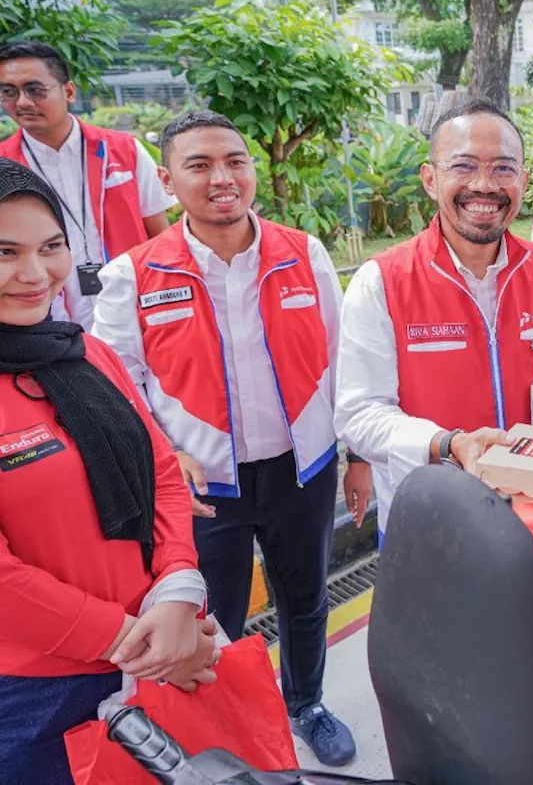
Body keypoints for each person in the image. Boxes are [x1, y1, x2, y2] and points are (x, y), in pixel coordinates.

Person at [91, 111, 356, 766]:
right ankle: (237, 726)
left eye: (234, 161)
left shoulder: (305, 253)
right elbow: (116, 389)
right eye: (199, 165)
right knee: (219, 617)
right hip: (204, 485)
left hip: (303, 469)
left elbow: (341, 359)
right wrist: (164, 453)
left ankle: (307, 704)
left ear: (252, 169)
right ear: (166, 179)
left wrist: (362, 459)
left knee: (306, 598)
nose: (222, 178)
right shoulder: (134, 275)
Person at [0, 159, 216, 785]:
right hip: (36, 694)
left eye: (51, 247)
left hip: (156, 644)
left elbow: (162, 474)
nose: (34, 274)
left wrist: (179, 587)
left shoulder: (87, 352)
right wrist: (144, 647)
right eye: (6, 252)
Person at [335, 99, 533, 540]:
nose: (484, 185)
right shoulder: (382, 281)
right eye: (465, 166)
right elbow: (360, 414)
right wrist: (449, 444)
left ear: (524, 181)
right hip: (430, 520)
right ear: (430, 179)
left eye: (504, 169)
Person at [0, 41, 176, 330]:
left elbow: (160, 235)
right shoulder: (5, 166)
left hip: (135, 312)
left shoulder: (124, 150)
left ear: (68, 91)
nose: (22, 102)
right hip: (43, 324)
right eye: (9, 92)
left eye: (35, 89)